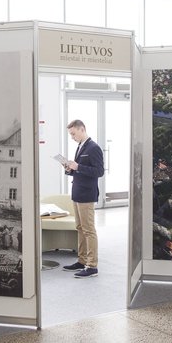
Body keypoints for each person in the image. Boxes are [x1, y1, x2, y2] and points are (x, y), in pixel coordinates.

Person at [62, 119, 104, 278]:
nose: (72, 137)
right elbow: (80, 171)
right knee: (80, 228)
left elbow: (99, 171)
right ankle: (81, 260)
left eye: (73, 133)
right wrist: (69, 169)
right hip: (77, 192)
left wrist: (78, 166)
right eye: (70, 134)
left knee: (88, 230)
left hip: (87, 195)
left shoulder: (94, 148)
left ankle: (92, 266)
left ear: (82, 129)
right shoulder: (80, 147)